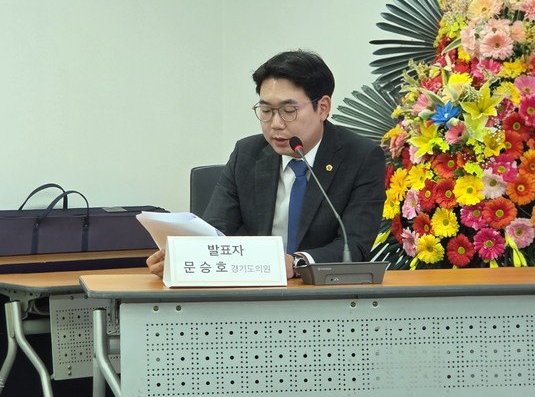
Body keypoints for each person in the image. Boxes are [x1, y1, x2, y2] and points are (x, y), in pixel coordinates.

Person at [146, 50, 386, 279]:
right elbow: (217, 230)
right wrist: (181, 258)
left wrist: (297, 262)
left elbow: (354, 245)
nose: (276, 124)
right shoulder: (247, 154)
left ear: (322, 108)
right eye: (266, 110)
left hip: (324, 293)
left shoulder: (361, 157)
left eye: (289, 110)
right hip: (253, 290)